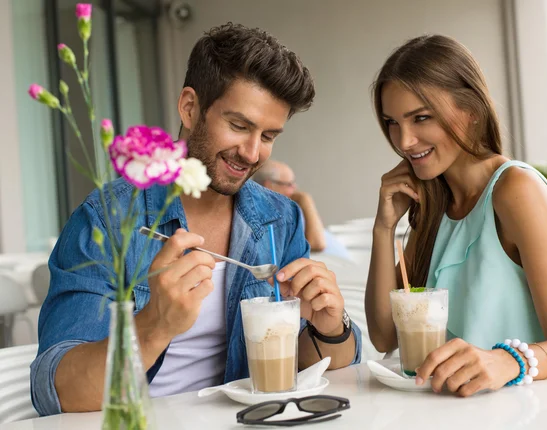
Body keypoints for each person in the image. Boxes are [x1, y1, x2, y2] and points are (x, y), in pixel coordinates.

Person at [31, 23, 361, 416]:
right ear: (190, 107)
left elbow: (315, 364)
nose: (253, 153)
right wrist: (155, 324)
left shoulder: (280, 217)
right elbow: (57, 390)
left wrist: (330, 326)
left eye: (269, 136)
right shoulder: (109, 219)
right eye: (239, 126)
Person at [365, 34, 547, 397]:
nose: (405, 141)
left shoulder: (515, 190)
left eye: (421, 118)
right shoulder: (434, 207)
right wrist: (384, 229)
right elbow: (385, 335)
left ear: (471, 111)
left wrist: (505, 361)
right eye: (392, 122)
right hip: (485, 412)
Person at [252, 160, 351, 259]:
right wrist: (306, 200)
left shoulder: (287, 211)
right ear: (270, 186)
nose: (295, 189)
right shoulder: (270, 218)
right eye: (289, 184)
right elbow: (318, 244)